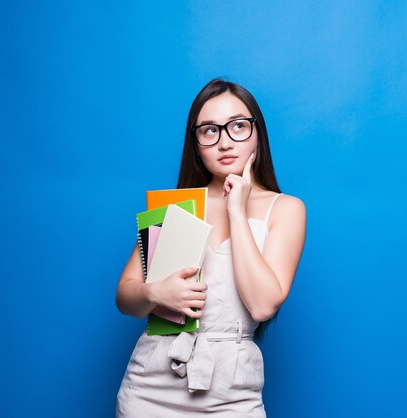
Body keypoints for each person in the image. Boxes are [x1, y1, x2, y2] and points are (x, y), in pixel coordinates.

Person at [115, 78, 307, 417]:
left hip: (232, 394)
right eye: (209, 131)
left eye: (237, 126)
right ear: (196, 143)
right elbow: (125, 297)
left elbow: (262, 305)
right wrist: (158, 293)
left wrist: (236, 209)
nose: (225, 142)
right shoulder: (177, 206)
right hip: (150, 388)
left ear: (257, 132)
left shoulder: (287, 208)